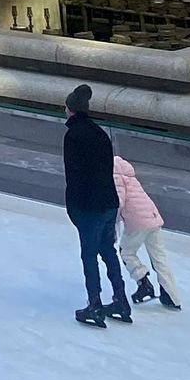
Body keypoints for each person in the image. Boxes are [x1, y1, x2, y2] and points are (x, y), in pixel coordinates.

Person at [64, 84, 131, 326]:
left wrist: (73, 207)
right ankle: (121, 299)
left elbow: (74, 174)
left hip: (88, 206)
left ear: (70, 109)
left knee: (89, 255)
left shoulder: (73, 135)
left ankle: (95, 304)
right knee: (107, 250)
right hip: (108, 202)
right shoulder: (100, 133)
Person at [114, 154, 179, 311]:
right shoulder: (129, 175)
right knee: (159, 257)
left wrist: (113, 222)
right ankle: (172, 295)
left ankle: (143, 282)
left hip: (138, 222)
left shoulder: (115, 175)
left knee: (126, 252)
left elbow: (118, 201)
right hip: (153, 217)